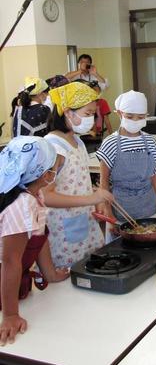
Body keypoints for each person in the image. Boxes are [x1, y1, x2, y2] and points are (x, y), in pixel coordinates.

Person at [0, 137, 70, 345]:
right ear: (41, 172)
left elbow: (38, 237)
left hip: (12, 281)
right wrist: (11, 315)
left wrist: (51, 274)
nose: (54, 173)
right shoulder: (20, 205)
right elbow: (10, 261)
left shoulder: (33, 194)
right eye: (53, 168)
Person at [43, 82, 113, 267]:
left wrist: (97, 199)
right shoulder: (53, 147)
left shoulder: (77, 141)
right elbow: (45, 196)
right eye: (87, 114)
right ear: (67, 112)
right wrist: (91, 199)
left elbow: (78, 183)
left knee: (91, 267)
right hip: (63, 230)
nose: (91, 119)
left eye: (93, 114)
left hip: (84, 221)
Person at [97, 90, 156, 241]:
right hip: (120, 214)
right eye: (129, 117)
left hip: (149, 211)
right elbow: (103, 184)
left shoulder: (150, 141)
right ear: (119, 114)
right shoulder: (110, 143)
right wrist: (109, 215)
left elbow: (153, 176)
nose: (135, 120)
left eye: (140, 117)